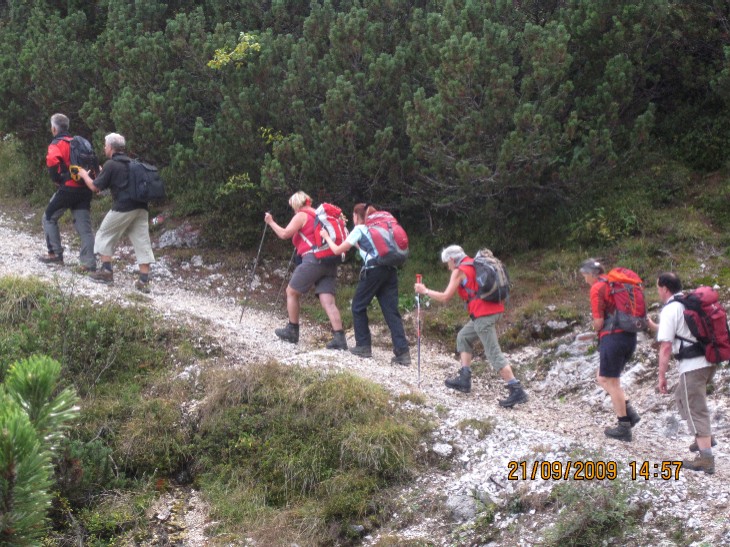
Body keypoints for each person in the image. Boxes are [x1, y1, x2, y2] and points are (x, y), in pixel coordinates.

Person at [414, 245, 528, 406]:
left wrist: (424, 291)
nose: (448, 266)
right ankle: (464, 379)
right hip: (493, 310)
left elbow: (445, 297)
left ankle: (516, 389)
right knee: (464, 337)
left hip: (483, 314)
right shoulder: (473, 263)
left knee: (493, 353)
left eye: (447, 262)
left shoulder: (459, 270)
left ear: (452, 259)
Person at [319, 203, 411, 365]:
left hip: (373, 271)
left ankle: (363, 346)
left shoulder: (360, 229)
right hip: (389, 271)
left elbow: (337, 250)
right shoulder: (373, 229)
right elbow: (364, 246)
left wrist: (326, 237)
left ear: (356, 216)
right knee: (391, 311)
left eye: (353, 216)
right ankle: (402, 352)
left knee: (358, 306)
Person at [647, 272, 716, 474]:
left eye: (658, 287)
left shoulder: (671, 308)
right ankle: (704, 437)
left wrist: (661, 377)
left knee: (696, 408)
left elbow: (666, 346)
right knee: (681, 397)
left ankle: (706, 459)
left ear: (665, 288)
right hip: (708, 361)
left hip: (692, 365)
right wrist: (654, 327)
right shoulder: (689, 302)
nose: (657, 291)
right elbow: (681, 329)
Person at [264, 191, 347, 350]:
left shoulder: (302, 215)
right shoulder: (319, 215)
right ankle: (340, 338)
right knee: (328, 301)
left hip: (313, 260)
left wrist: (271, 222)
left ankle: (292, 330)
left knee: (291, 292)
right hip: (330, 262)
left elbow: (284, 234)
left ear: (296, 204)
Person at [76, 133, 154, 293]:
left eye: (105, 145)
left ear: (111, 147)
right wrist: (101, 172)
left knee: (104, 234)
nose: (104, 147)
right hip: (141, 207)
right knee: (142, 241)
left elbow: (95, 188)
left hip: (123, 206)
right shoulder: (132, 163)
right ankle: (144, 280)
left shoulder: (111, 164)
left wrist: (83, 174)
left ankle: (106, 272)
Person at [579, 259, 641, 442]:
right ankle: (629, 412)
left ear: (591, 274)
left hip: (613, 337)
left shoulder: (598, 288)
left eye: (584, 276)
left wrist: (594, 329)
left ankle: (624, 426)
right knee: (603, 377)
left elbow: (598, 322)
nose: (584, 280)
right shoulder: (617, 284)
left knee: (610, 381)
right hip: (629, 336)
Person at [38, 113, 97, 272]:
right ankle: (89, 263)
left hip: (68, 188)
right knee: (84, 227)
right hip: (85, 188)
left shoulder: (57, 144)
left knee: (49, 217)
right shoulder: (78, 142)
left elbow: (52, 163)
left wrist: (58, 180)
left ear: (54, 128)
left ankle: (55, 255)